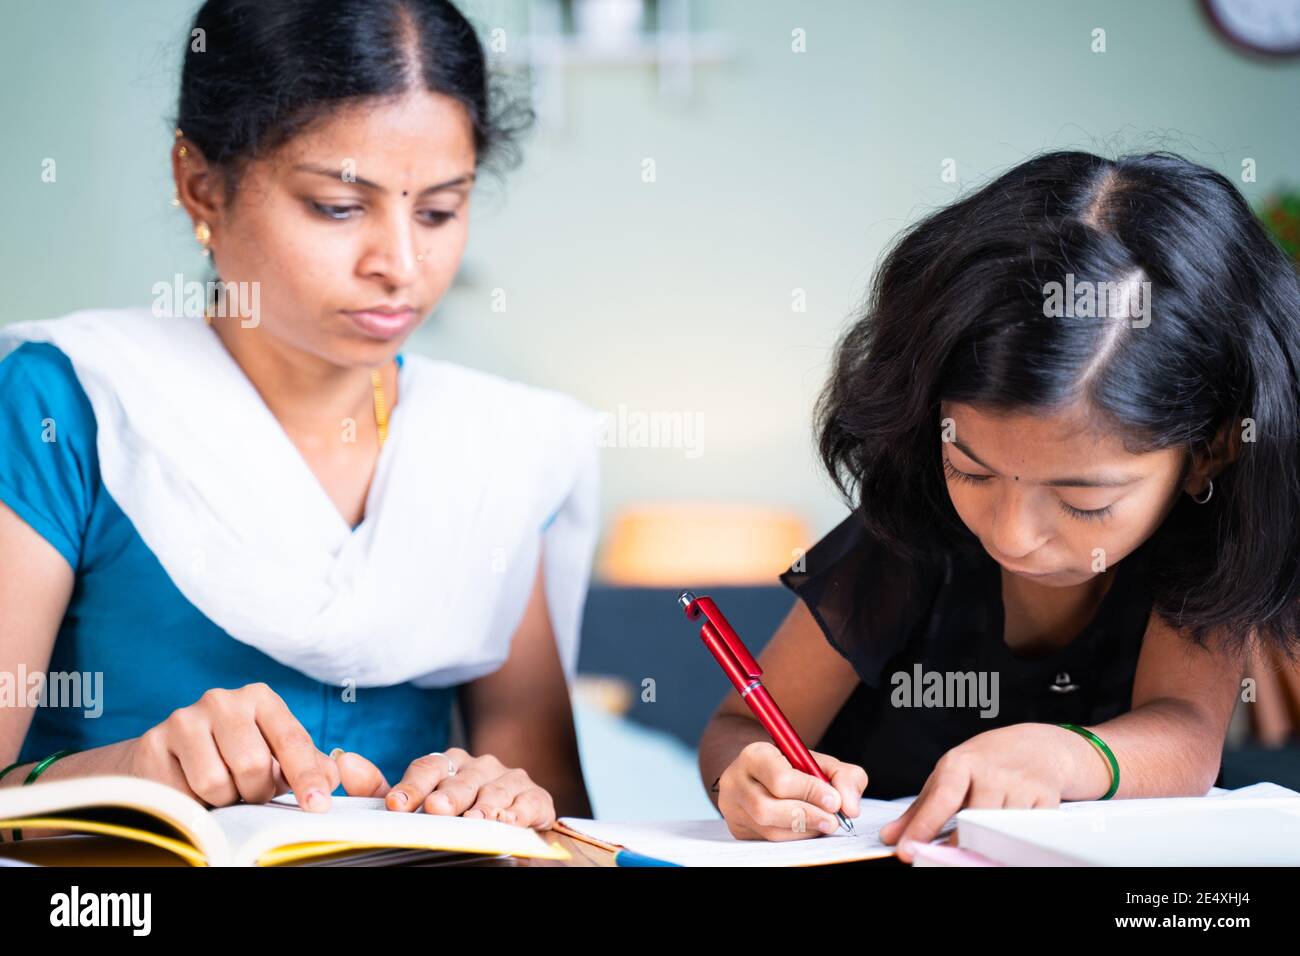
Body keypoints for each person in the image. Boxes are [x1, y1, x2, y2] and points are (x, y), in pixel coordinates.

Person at [0, 0, 599, 838]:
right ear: (199, 183)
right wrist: (128, 774)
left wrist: (505, 801)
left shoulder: (494, 447)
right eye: (337, 207)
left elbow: (563, 824)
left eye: (437, 211)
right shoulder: (70, 403)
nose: (400, 265)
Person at [697, 150, 1300, 862]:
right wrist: (748, 779)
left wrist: (1064, 758)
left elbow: (1184, 737)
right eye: (971, 470)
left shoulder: (1205, 544)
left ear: (1211, 448)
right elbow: (740, 727)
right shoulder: (908, 529)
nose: (1012, 537)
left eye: (1084, 499)